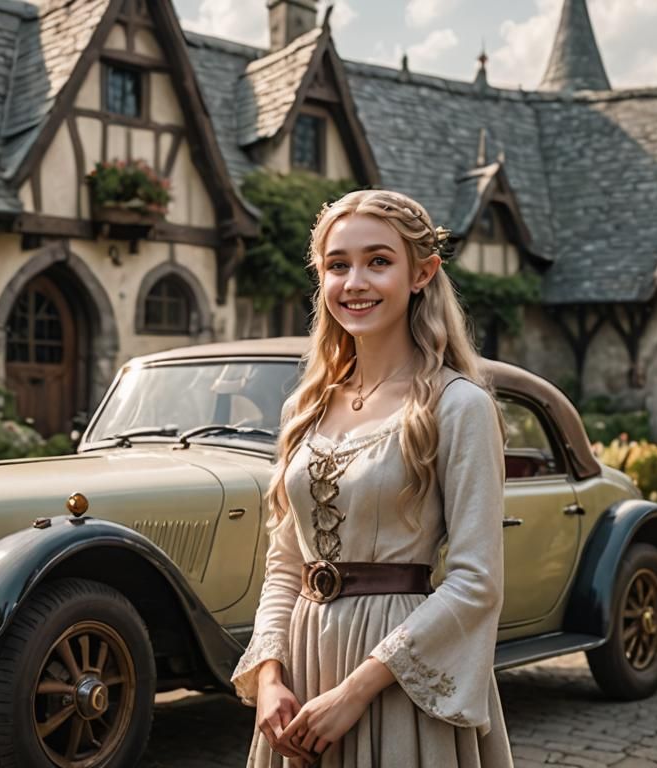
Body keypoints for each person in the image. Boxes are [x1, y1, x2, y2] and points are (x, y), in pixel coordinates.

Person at [229, 189, 514, 767]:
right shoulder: (304, 410)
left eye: (378, 261)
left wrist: (357, 690)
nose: (354, 281)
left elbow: (476, 580)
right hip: (303, 671)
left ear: (422, 273)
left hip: (397, 680)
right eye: (338, 265)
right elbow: (285, 563)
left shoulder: (458, 406)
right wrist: (268, 676)